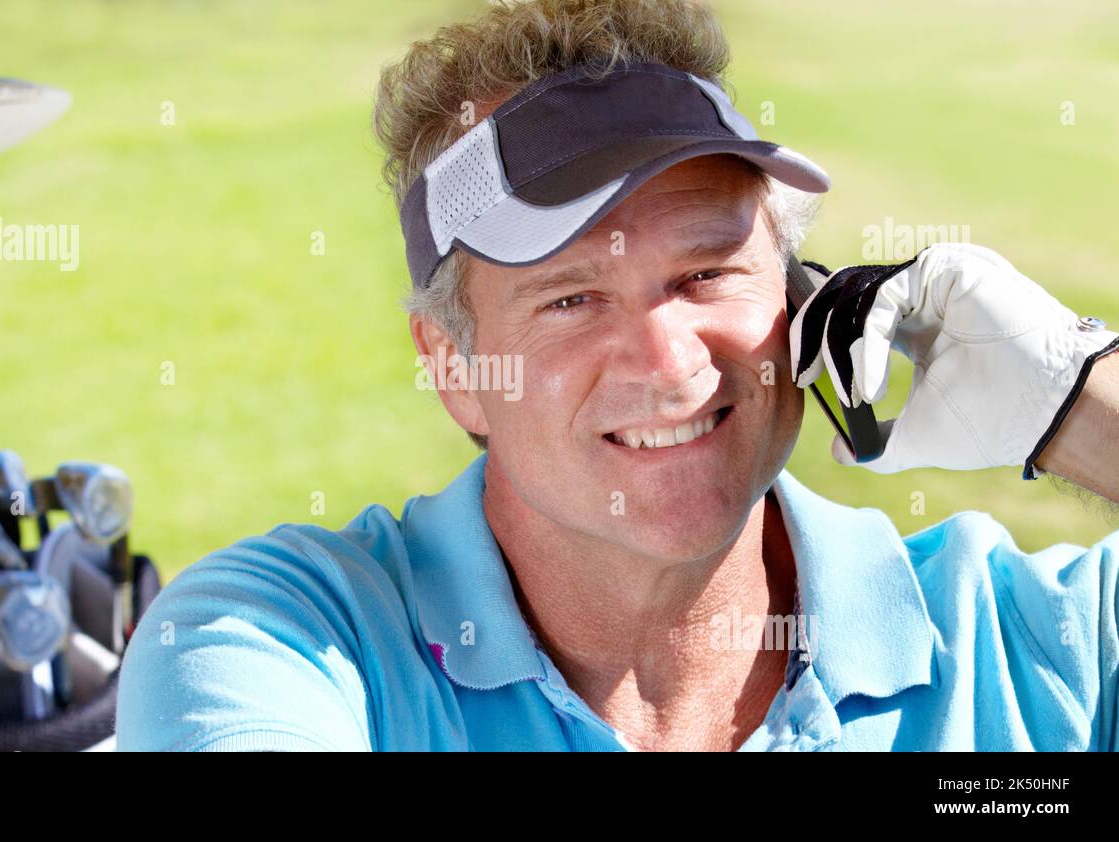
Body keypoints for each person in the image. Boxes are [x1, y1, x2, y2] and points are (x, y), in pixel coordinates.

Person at [116, 0, 1119, 751]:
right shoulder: (281, 642)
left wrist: (1077, 399)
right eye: (571, 297)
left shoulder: (1035, 640)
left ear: (801, 296)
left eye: (705, 271)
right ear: (454, 367)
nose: (669, 360)